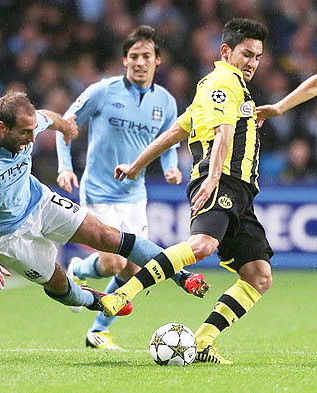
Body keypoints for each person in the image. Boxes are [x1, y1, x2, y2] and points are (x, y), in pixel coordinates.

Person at [100, 18, 272, 365]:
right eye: (247, 53)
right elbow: (223, 130)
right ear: (226, 51)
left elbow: (176, 132)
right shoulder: (225, 80)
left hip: (240, 193)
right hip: (221, 179)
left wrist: (136, 164)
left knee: (258, 276)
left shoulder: (216, 86)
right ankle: (124, 293)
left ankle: (203, 342)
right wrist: (212, 179)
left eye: (258, 56)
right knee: (202, 246)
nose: (253, 62)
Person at [0, 91, 197, 322]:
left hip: (39, 202)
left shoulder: (28, 124)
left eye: (34, 129)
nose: (32, 138)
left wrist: (65, 126)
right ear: (1, 128)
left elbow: (49, 117)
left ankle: (181, 275)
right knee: (57, 282)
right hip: (5, 235)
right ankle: (95, 300)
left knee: (106, 235)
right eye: (25, 132)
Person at [55, 25, 209, 350]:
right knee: (113, 262)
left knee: (135, 269)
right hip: (98, 191)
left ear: (158, 61)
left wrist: (170, 169)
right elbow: (65, 125)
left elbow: (169, 142)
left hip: (135, 194)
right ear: (124, 60)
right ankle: (78, 268)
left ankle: (98, 330)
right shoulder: (102, 91)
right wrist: (65, 166)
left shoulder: (166, 102)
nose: (140, 62)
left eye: (147, 56)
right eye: (134, 56)